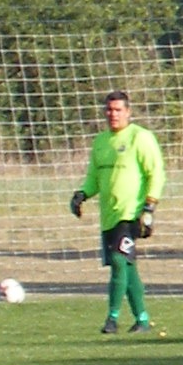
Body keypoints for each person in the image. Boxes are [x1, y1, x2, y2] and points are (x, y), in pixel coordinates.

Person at [72, 90, 165, 335]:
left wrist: (149, 207)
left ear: (128, 112)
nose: (113, 114)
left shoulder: (140, 138)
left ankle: (112, 319)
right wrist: (82, 194)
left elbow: (156, 173)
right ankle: (142, 319)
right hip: (109, 215)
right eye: (109, 110)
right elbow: (94, 177)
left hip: (131, 213)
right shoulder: (101, 141)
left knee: (117, 262)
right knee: (127, 266)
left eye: (118, 110)